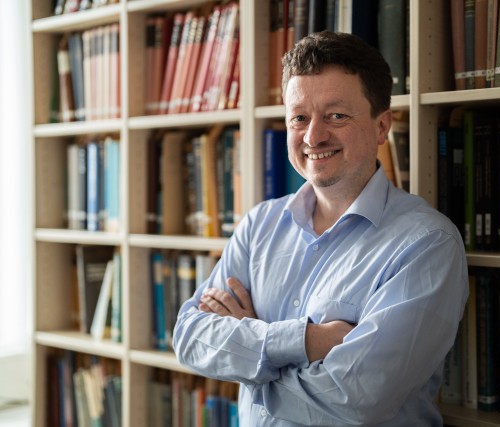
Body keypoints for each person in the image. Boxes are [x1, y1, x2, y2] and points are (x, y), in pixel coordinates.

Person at [173, 30, 469, 426]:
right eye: (299, 117)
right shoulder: (260, 224)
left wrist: (247, 349)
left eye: (336, 116)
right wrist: (309, 341)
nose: (314, 136)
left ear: (382, 126)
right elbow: (190, 340)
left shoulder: (427, 244)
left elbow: (355, 397)